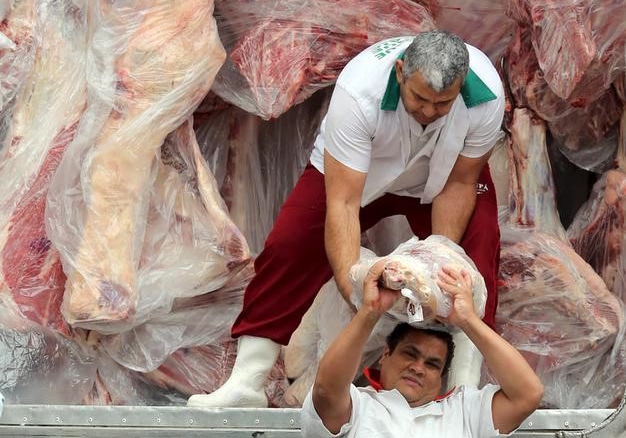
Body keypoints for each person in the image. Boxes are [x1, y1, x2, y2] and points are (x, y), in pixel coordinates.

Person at [188, 31, 505, 408]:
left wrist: (439, 260)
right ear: (401, 71)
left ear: (462, 85)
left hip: (443, 175)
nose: (429, 111)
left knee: (475, 255)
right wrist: (354, 287)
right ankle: (248, 381)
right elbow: (342, 202)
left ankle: (464, 391)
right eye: (420, 98)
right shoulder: (359, 92)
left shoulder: (487, 96)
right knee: (290, 245)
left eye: (443, 103)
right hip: (355, 174)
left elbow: (459, 183)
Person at [301, 259, 543, 438]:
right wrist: (370, 311)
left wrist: (468, 320)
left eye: (432, 364)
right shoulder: (358, 407)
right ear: (385, 355)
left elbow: (527, 394)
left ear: (441, 377)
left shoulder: (465, 413)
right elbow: (325, 390)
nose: (418, 368)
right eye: (410, 353)